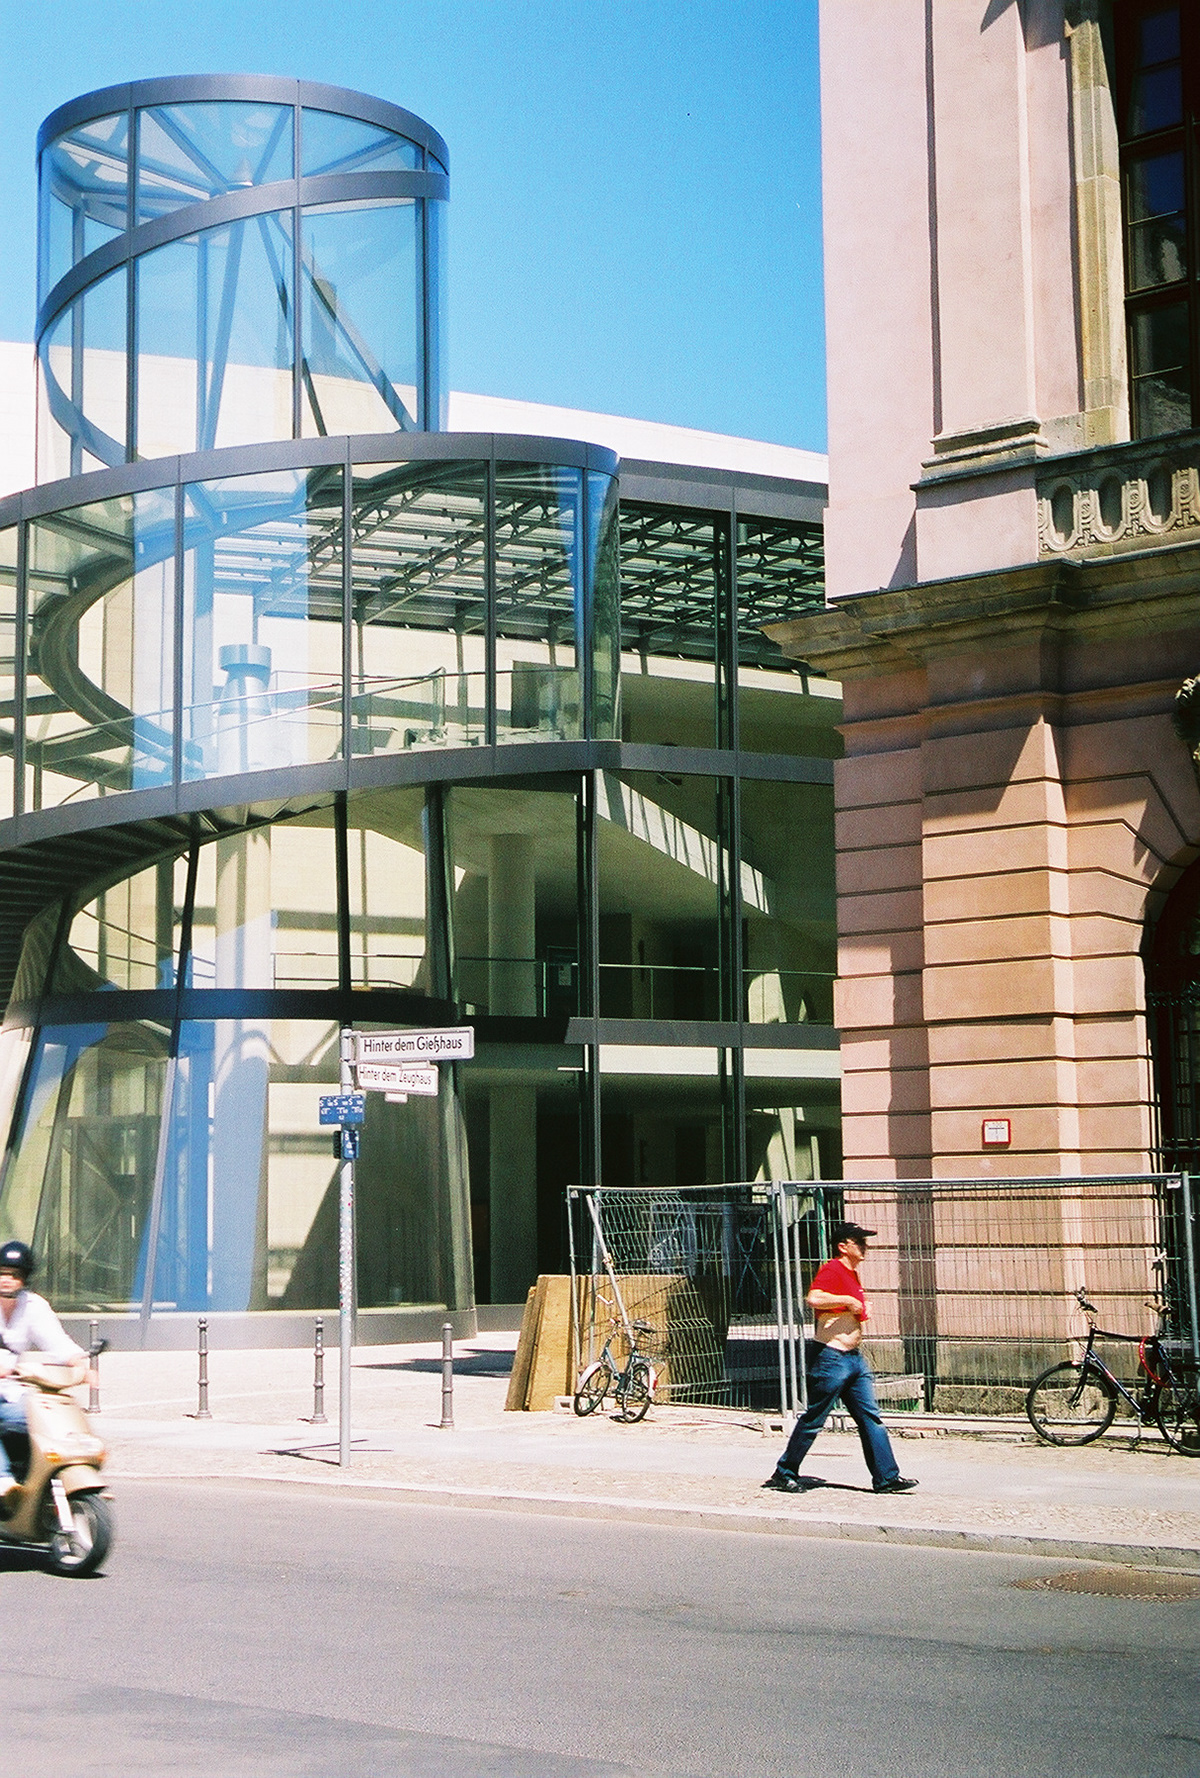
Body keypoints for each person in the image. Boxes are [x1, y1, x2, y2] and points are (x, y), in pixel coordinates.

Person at [763, 1219, 918, 1495]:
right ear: (843, 1246)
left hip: (854, 1359)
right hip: (831, 1358)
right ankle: (784, 1473)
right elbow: (813, 1299)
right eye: (859, 1242)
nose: (865, 1246)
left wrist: (859, 1310)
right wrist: (848, 1303)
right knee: (814, 1419)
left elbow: (842, 1311)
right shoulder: (833, 1268)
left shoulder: (852, 1274)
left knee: (871, 1418)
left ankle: (886, 1478)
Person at [0, 1240, 87, 1514]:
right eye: (1, 1272)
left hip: (13, 1390)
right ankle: (3, 1481)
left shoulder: (33, 1306)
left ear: (24, 1278)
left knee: (41, 1416)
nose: (6, 1279)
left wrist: (81, 1364)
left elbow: (57, 1342)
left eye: (14, 1274)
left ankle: (40, 1484)